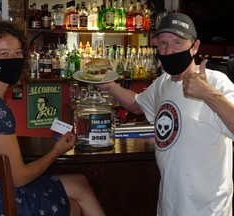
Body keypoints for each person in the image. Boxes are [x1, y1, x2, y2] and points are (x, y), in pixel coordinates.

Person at [0, 21, 105, 216]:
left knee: (79, 182)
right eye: (4, 54)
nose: (13, 60)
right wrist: (56, 151)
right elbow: (19, 178)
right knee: (72, 207)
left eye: (18, 53)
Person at [97, 12, 234, 215]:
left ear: (194, 47)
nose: (169, 51)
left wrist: (208, 95)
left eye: (177, 42)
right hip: (169, 206)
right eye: (163, 44)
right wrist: (111, 86)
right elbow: (138, 105)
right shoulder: (163, 83)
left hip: (208, 209)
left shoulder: (216, 82)